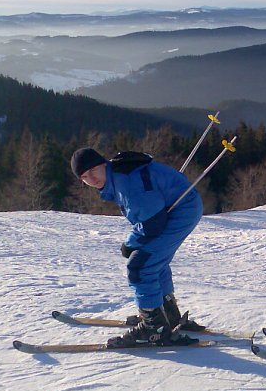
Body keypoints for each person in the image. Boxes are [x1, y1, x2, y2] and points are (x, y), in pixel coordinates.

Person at [70, 147, 204, 347]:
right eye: (84, 177)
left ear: (103, 163)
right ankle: (166, 314)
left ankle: (154, 327)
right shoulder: (118, 176)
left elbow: (152, 223)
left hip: (180, 212)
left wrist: (130, 244)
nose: (91, 178)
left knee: (140, 266)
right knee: (154, 260)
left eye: (93, 170)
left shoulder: (125, 182)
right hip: (183, 207)